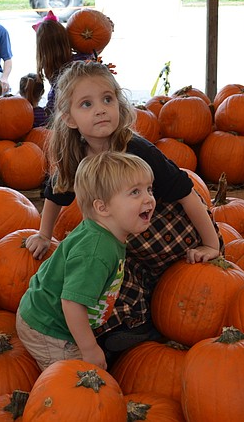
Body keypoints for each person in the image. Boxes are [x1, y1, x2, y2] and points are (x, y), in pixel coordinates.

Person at [24, 61, 222, 352]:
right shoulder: (76, 157)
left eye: (108, 99)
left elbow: (186, 193)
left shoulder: (137, 150)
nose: (101, 109)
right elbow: (56, 192)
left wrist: (211, 243)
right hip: (128, 250)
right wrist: (44, 234)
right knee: (112, 284)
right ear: (69, 118)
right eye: (87, 104)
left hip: (170, 236)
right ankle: (140, 327)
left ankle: (166, 318)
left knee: (179, 288)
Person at [17, 151, 156, 370]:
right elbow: (72, 303)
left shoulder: (107, 234)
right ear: (103, 207)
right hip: (48, 327)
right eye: (135, 192)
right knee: (76, 379)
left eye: (149, 189)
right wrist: (89, 348)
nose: (148, 198)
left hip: (56, 317)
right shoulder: (96, 251)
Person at [35, 10, 90, 119]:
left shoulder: (56, 71)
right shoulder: (84, 59)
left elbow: (54, 111)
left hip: (66, 120)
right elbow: (96, 48)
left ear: (43, 50)